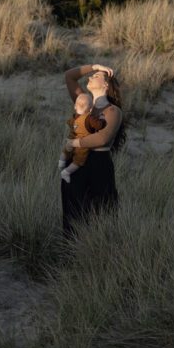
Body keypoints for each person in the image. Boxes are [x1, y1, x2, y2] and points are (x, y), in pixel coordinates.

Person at [60, 64, 125, 236]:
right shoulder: (83, 103)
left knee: (103, 213)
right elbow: (69, 76)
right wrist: (94, 66)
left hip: (99, 164)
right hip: (76, 163)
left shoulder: (113, 110)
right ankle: (71, 254)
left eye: (96, 76)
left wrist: (75, 143)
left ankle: (100, 253)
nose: (90, 77)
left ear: (106, 85)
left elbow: (103, 138)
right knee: (72, 214)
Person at [57, 92, 102, 183]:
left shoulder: (74, 118)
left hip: (70, 140)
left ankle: (61, 162)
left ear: (75, 107)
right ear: (90, 110)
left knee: (66, 151)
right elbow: (99, 126)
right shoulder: (89, 119)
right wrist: (101, 119)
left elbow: (69, 124)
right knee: (78, 161)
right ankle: (66, 172)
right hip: (81, 145)